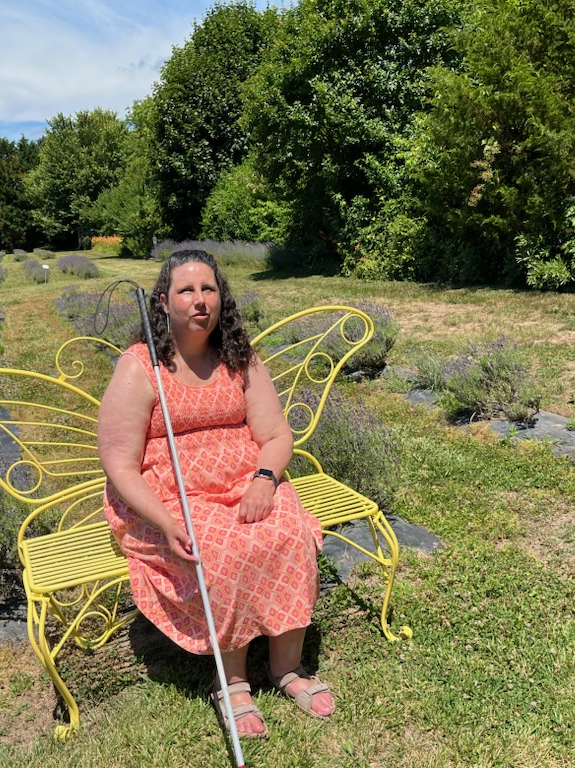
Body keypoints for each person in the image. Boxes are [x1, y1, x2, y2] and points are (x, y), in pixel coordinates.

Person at [98, 250, 335, 739]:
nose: (199, 300)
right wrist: (165, 520)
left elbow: (275, 435)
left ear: (220, 298)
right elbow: (120, 465)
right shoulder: (140, 366)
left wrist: (264, 481)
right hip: (170, 498)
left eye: (208, 289)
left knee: (289, 532)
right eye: (186, 291)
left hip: (248, 483)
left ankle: (286, 668)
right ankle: (232, 682)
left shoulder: (239, 358)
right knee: (221, 554)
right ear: (163, 302)